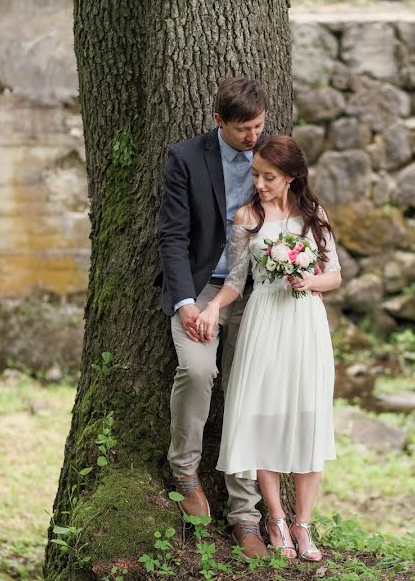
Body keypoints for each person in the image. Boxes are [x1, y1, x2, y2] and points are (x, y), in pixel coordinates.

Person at [195, 135, 342, 562]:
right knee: (265, 414)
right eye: (256, 174)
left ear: (292, 177)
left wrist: (307, 280)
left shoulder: (314, 215)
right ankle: (275, 517)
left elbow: (333, 275)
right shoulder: (247, 217)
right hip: (264, 319)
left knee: (308, 413)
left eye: (269, 176)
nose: (259, 183)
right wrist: (210, 308)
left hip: (305, 322)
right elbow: (237, 280)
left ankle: (303, 523)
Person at [156, 77, 268, 558]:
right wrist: (186, 305)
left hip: (256, 290)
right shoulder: (185, 158)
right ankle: (184, 470)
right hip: (201, 286)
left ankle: (246, 514)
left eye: (259, 126)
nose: (253, 137)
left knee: (246, 388)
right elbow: (172, 238)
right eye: (244, 128)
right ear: (219, 121)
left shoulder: (273, 156)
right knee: (199, 370)